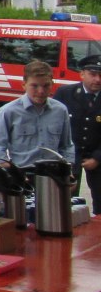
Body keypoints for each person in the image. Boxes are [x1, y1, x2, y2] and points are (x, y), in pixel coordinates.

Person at [0, 59, 74, 169]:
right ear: (24, 85)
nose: (41, 91)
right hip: (23, 173)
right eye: (34, 86)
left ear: (52, 84)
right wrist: (7, 166)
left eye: (46, 85)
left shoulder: (60, 110)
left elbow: (66, 145)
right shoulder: (9, 111)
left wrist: (68, 168)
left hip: (53, 174)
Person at [55, 54, 101, 213]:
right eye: (93, 74)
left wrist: (97, 157)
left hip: (97, 155)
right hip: (69, 156)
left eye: (100, 75)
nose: (97, 79)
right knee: (66, 200)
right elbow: (55, 125)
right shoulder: (65, 93)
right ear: (82, 74)